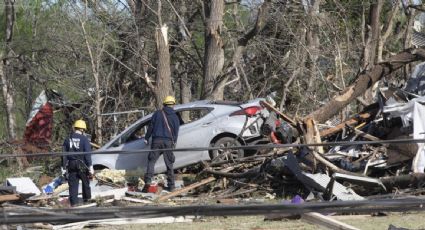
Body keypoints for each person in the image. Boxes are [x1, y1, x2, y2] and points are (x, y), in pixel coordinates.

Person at [143, 96, 180, 192]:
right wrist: (174, 141)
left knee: (151, 161)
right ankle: (171, 186)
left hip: (156, 141)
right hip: (168, 142)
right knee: (169, 164)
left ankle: (148, 181)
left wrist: (146, 138)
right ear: (173, 105)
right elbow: (176, 131)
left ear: (164, 104)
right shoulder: (175, 116)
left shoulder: (157, 114)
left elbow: (151, 126)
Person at [62, 119, 94, 206]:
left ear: (75, 128)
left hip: (71, 164)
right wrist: (90, 166)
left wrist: (63, 168)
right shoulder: (84, 139)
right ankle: (87, 201)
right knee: (85, 183)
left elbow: (63, 154)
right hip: (82, 164)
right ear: (82, 129)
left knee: (73, 185)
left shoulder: (67, 139)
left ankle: (74, 204)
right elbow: (87, 154)